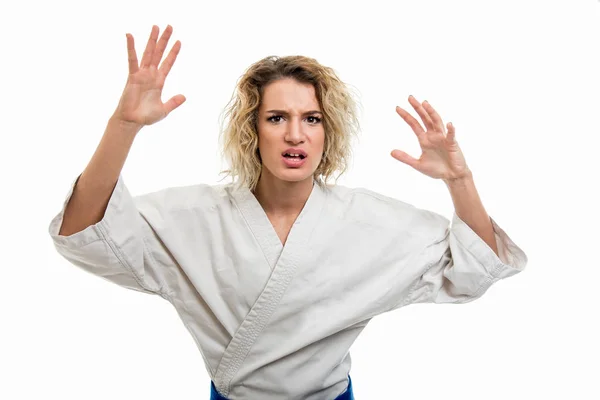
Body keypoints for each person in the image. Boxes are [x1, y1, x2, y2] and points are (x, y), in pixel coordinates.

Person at [48, 25, 528, 400]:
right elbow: (85, 232)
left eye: (311, 119)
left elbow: (474, 266)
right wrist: (124, 125)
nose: (295, 134)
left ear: (327, 131)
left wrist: (458, 181)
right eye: (277, 118)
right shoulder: (194, 216)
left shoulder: (369, 222)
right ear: (253, 130)